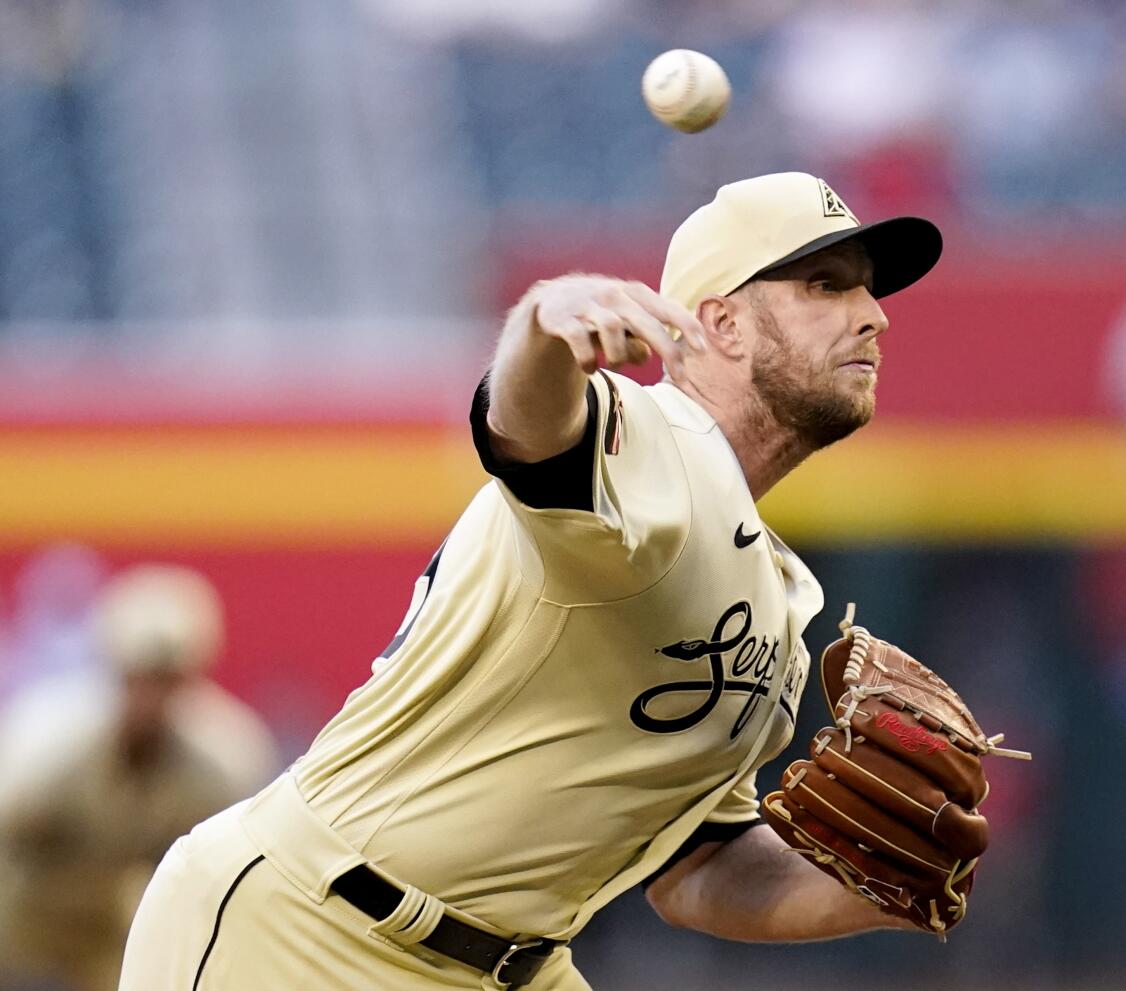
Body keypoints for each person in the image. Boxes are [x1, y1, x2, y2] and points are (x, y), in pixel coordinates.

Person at [119, 172, 945, 991]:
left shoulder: (777, 593)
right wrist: (544, 329)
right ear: (722, 323)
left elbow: (695, 869)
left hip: (516, 967)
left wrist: (878, 890)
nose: (872, 315)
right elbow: (522, 428)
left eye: (868, 292)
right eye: (824, 285)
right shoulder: (656, 442)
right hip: (306, 933)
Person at [0, 563, 277, 991]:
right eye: (138, 678)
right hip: (29, 929)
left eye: (166, 680)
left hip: (120, 940)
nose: (151, 699)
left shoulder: (224, 759)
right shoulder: (48, 745)